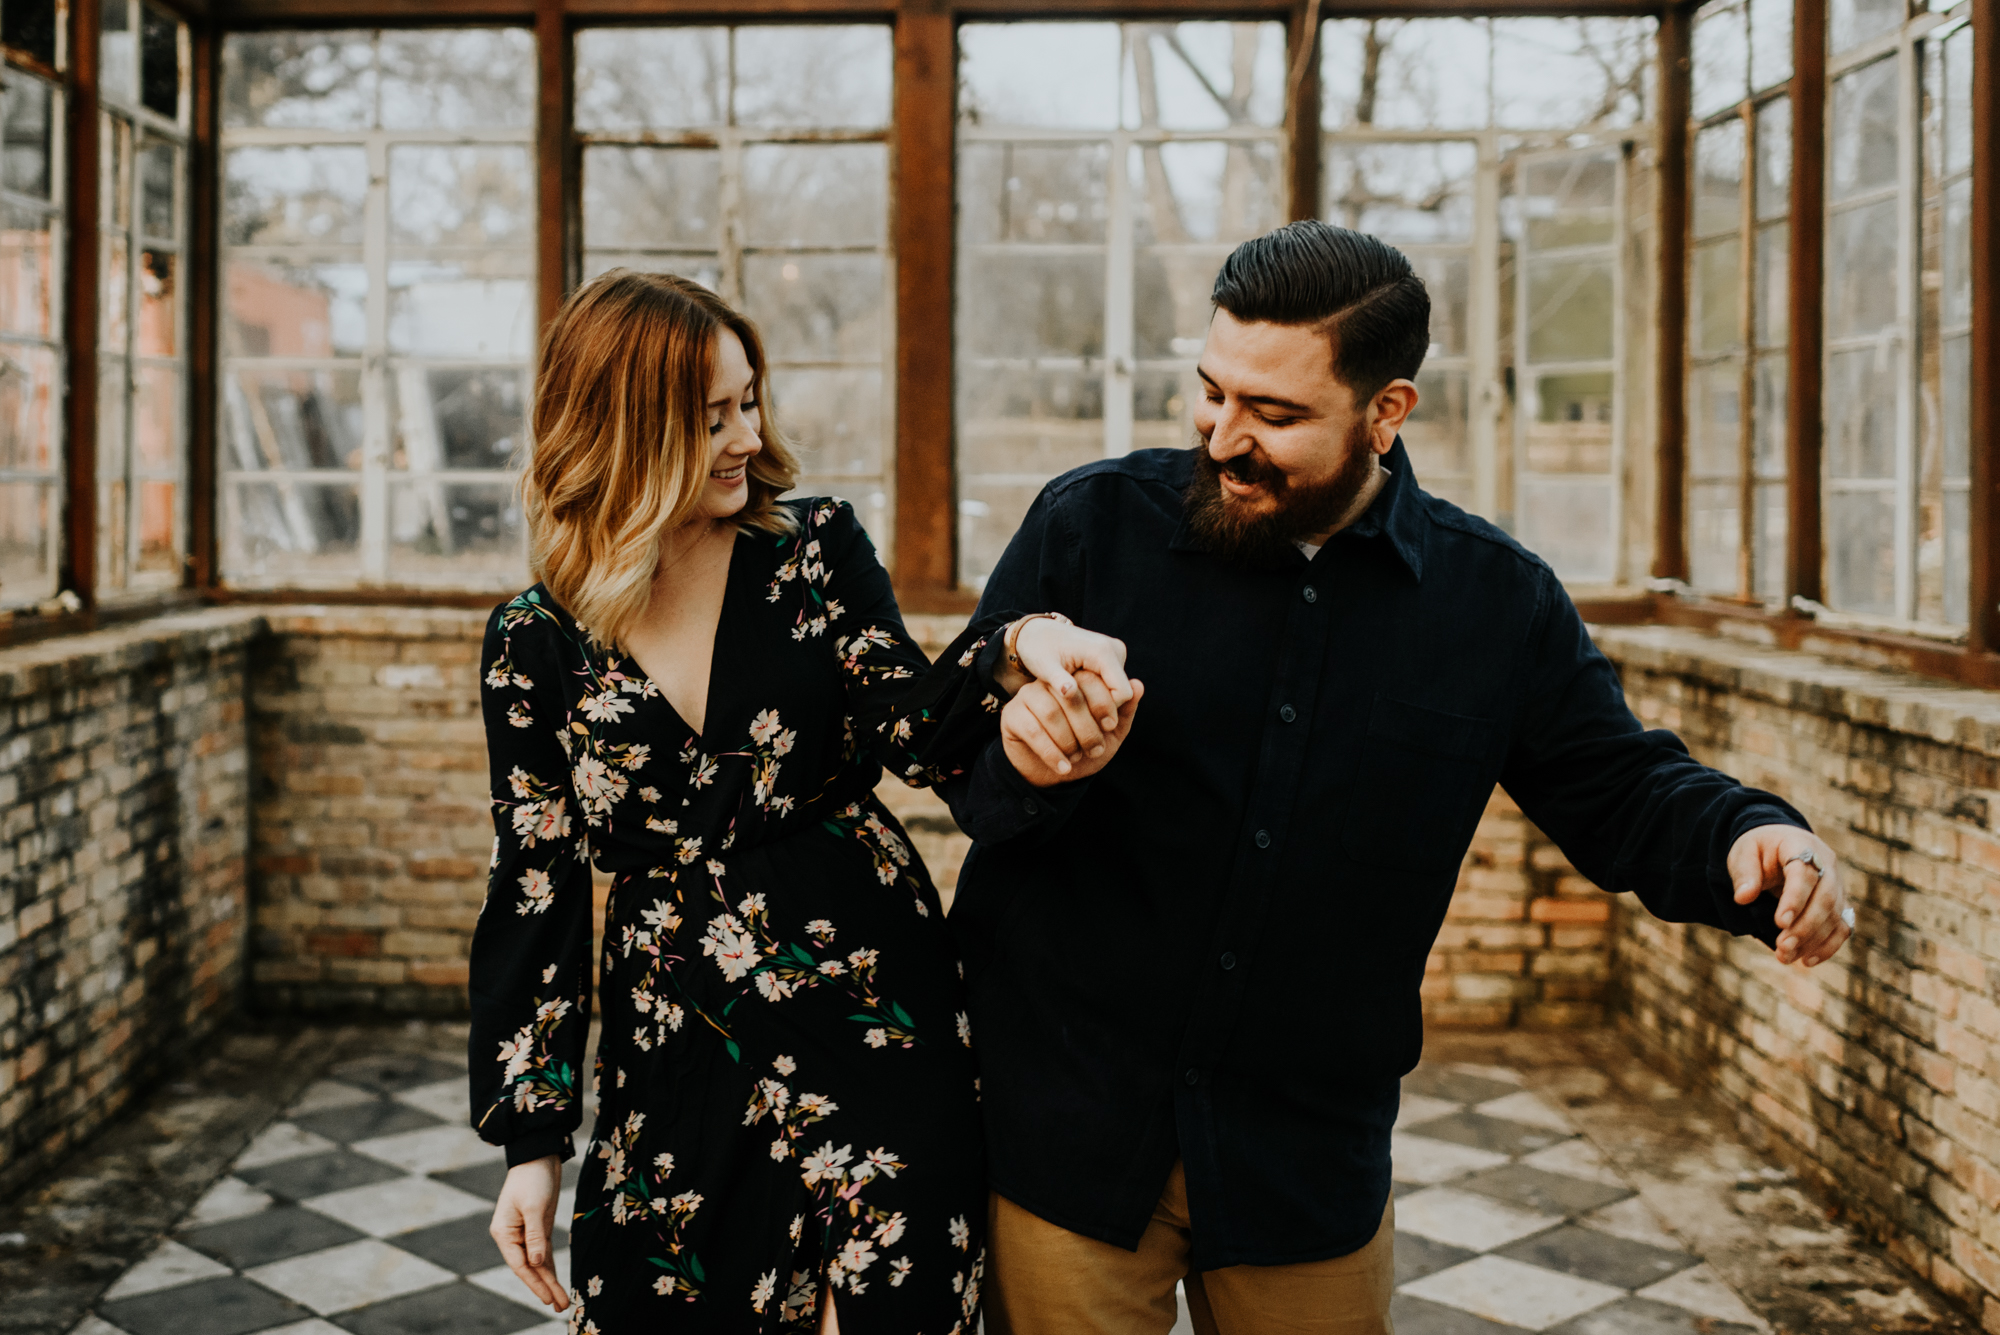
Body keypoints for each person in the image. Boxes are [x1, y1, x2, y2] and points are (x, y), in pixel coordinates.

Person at [938, 220, 1856, 1335]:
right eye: (1210, 391)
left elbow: (1619, 788)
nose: (1221, 436)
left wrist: (1748, 838)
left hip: (1303, 1159)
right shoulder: (1090, 525)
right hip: (1067, 1131)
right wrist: (1023, 759)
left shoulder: (1494, 602)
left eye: (1273, 415)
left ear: (1385, 414)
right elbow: (952, 745)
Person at [466, 269, 1134, 1333]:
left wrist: (1016, 646)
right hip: (675, 1044)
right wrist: (532, 1146)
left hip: (870, 1005)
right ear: (622, 431)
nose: (746, 435)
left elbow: (914, 728)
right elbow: (532, 888)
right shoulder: (532, 641)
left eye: (749, 400)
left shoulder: (812, 550)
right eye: (708, 417)